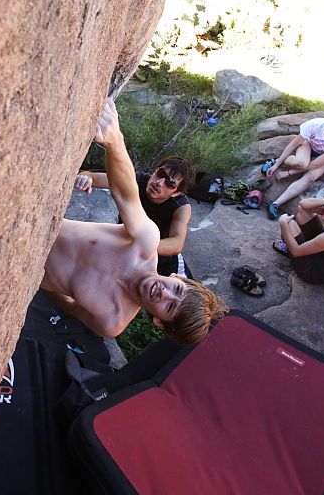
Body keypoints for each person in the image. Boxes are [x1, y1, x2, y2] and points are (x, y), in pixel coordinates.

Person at [42, 99, 227, 344]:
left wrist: (39, 282)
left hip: (24, 270)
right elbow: (126, 195)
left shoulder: (111, 321)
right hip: (40, 229)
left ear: (159, 322)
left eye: (169, 307)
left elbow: (67, 304)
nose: (164, 293)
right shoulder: (143, 243)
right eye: (177, 290)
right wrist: (114, 140)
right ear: (177, 277)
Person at [75, 156, 195, 278]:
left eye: (170, 184)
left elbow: (177, 243)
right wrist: (85, 178)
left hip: (163, 265)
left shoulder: (181, 207)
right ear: (155, 170)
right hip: (126, 252)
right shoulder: (135, 181)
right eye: (160, 173)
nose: (159, 183)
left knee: (192, 294)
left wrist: (142, 245)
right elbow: (92, 176)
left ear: (176, 193)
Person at [264, 112, 324, 220]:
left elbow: (316, 164)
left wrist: (288, 173)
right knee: (301, 163)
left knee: (310, 178)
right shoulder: (315, 125)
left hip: (322, 157)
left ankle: (275, 204)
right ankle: (275, 161)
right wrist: (277, 165)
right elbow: (293, 144)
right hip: (307, 145)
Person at [272, 190, 324, 284]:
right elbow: (303, 204)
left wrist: (283, 224)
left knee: (289, 224)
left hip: (312, 273)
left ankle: (289, 248)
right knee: (303, 210)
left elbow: (296, 252)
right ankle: (297, 244)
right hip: (322, 254)